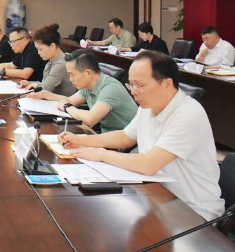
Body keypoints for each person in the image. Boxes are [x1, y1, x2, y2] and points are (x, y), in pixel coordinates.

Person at [58, 51, 224, 220]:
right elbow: (125, 137)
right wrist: (80, 140)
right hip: (157, 197)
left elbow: (148, 164)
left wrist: (100, 154)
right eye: (131, 85)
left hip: (192, 211)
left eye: (140, 85)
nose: (134, 92)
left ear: (167, 84)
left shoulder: (188, 114)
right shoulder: (148, 106)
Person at [33, 50, 137, 133]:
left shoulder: (110, 88)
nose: (70, 79)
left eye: (72, 74)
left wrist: (67, 107)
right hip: (105, 134)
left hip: (125, 142)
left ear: (87, 73)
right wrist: (45, 94)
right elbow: (70, 100)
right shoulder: (89, 84)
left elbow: (90, 118)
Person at [19, 24, 76, 96]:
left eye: (41, 49)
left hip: (60, 102)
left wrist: (34, 84)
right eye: (37, 49)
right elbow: (45, 83)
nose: (38, 53)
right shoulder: (52, 60)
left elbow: (45, 89)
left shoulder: (60, 64)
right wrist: (30, 83)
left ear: (52, 46)